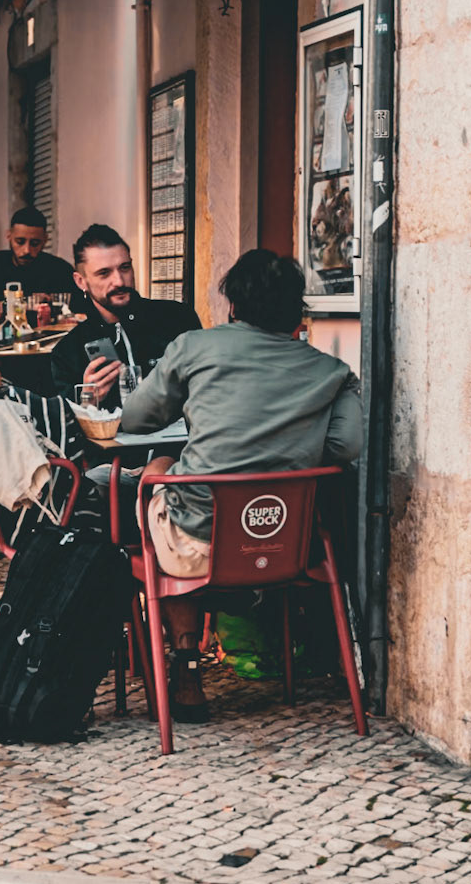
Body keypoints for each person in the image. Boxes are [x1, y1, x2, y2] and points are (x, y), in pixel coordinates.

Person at [118, 247, 362, 723]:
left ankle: (186, 665)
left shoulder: (193, 347)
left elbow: (136, 418)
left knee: (161, 470)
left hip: (198, 543)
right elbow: (346, 446)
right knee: (192, 489)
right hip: (287, 543)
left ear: (233, 306)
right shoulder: (331, 372)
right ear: (296, 312)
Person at [50, 224, 201, 407]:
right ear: (81, 281)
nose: (119, 281)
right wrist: (88, 400)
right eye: (104, 273)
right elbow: (65, 419)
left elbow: (208, 386)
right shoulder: (68, 353)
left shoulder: (178, 318)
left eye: (125, 268)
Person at [0, 206, 77, 326]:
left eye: (35, 243)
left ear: (45, 240)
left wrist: (51, 305)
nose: (27, 250)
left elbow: (78, 310)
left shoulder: (60, 270)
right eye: (20, 242)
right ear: (9, 236)